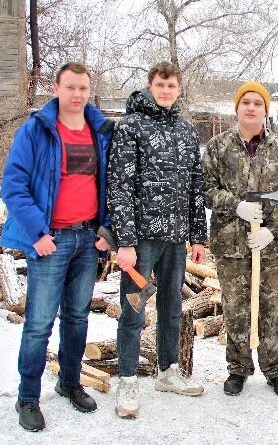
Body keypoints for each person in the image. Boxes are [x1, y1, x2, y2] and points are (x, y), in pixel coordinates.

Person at [1, 62, 113, 431]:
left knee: (78, 317)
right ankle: (28, 397)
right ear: (57, 88)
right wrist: (37, 233)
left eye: (83, 88)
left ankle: (69, 382)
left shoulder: (100, 131)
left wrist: (105, 230)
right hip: (52, 240)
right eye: (70, 87)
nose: (77, 94)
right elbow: (14, 185)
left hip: (87, 239)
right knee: (38, 324)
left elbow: (110, 186)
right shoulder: (37, 130)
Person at [108, 61, 207, 418]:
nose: (166, 90)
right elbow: (119, 185)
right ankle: (129, 380)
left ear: (179, 89)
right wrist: (126, 241)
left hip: (176, 240)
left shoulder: (186, 130)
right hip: (142, 240)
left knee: (171, 308)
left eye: (172, 85)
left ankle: (167, 371)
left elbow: (196, 187)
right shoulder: (131, 127)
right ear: (150, 86)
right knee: (134, 308)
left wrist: (198, 235)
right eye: (160, 84)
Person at [202, 82, 278, 397]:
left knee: (270, 306)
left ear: (265, 110)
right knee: (236, 308)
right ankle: (238, 369)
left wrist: (273, 228)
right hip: (231, 244)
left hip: (271, 246)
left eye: (258, 103)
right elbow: (206, 189)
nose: (252, 108)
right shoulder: (217, 147)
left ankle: (275, 370)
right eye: (246, 102)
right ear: (237, 108)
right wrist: (236, 205)